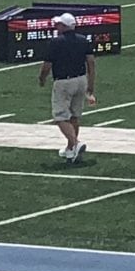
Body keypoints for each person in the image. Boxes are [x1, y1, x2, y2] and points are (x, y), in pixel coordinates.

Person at [38, 12, 97, 164]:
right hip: (81, 79)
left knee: (60, 117)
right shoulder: (83, 40)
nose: (56, 26)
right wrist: (91, 84)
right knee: (74, 116)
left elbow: (47, 65)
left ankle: (75, 143)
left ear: (64, 26)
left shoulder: (56, 42)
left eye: (58, 24)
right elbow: (91, 62)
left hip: (64, 81)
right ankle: (71, 149)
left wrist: (42, 78)